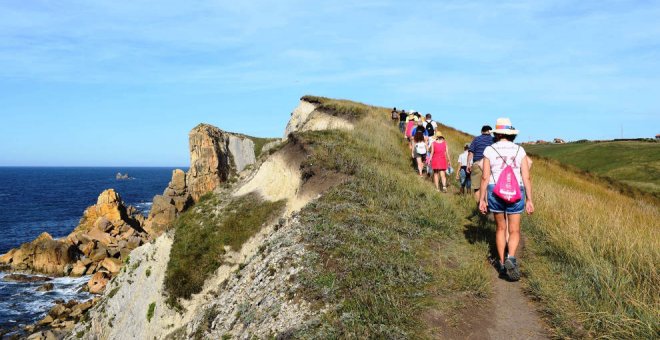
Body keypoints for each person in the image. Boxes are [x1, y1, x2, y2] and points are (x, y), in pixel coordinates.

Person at [478, 118, 534, 281]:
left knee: (501, 228)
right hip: (517, 190)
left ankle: (502, 264)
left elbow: (484, 176)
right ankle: (511, 257)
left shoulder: (489, 150)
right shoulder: (520, 150)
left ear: (497, 133)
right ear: (510, 133)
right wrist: (529, 199)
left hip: (495, 190)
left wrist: (482, 199)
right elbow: (526, 176)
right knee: (514, 230)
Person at [467, 125, 493, 201]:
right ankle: (488, 206)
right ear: (490, 132)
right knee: (488, 187)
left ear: (481, 131)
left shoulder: (476, 139)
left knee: (477, 188)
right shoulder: (494, 140)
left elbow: (471, 153)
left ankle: (479, 208)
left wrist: (468, 164)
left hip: (477, 164)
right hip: (490, 165)